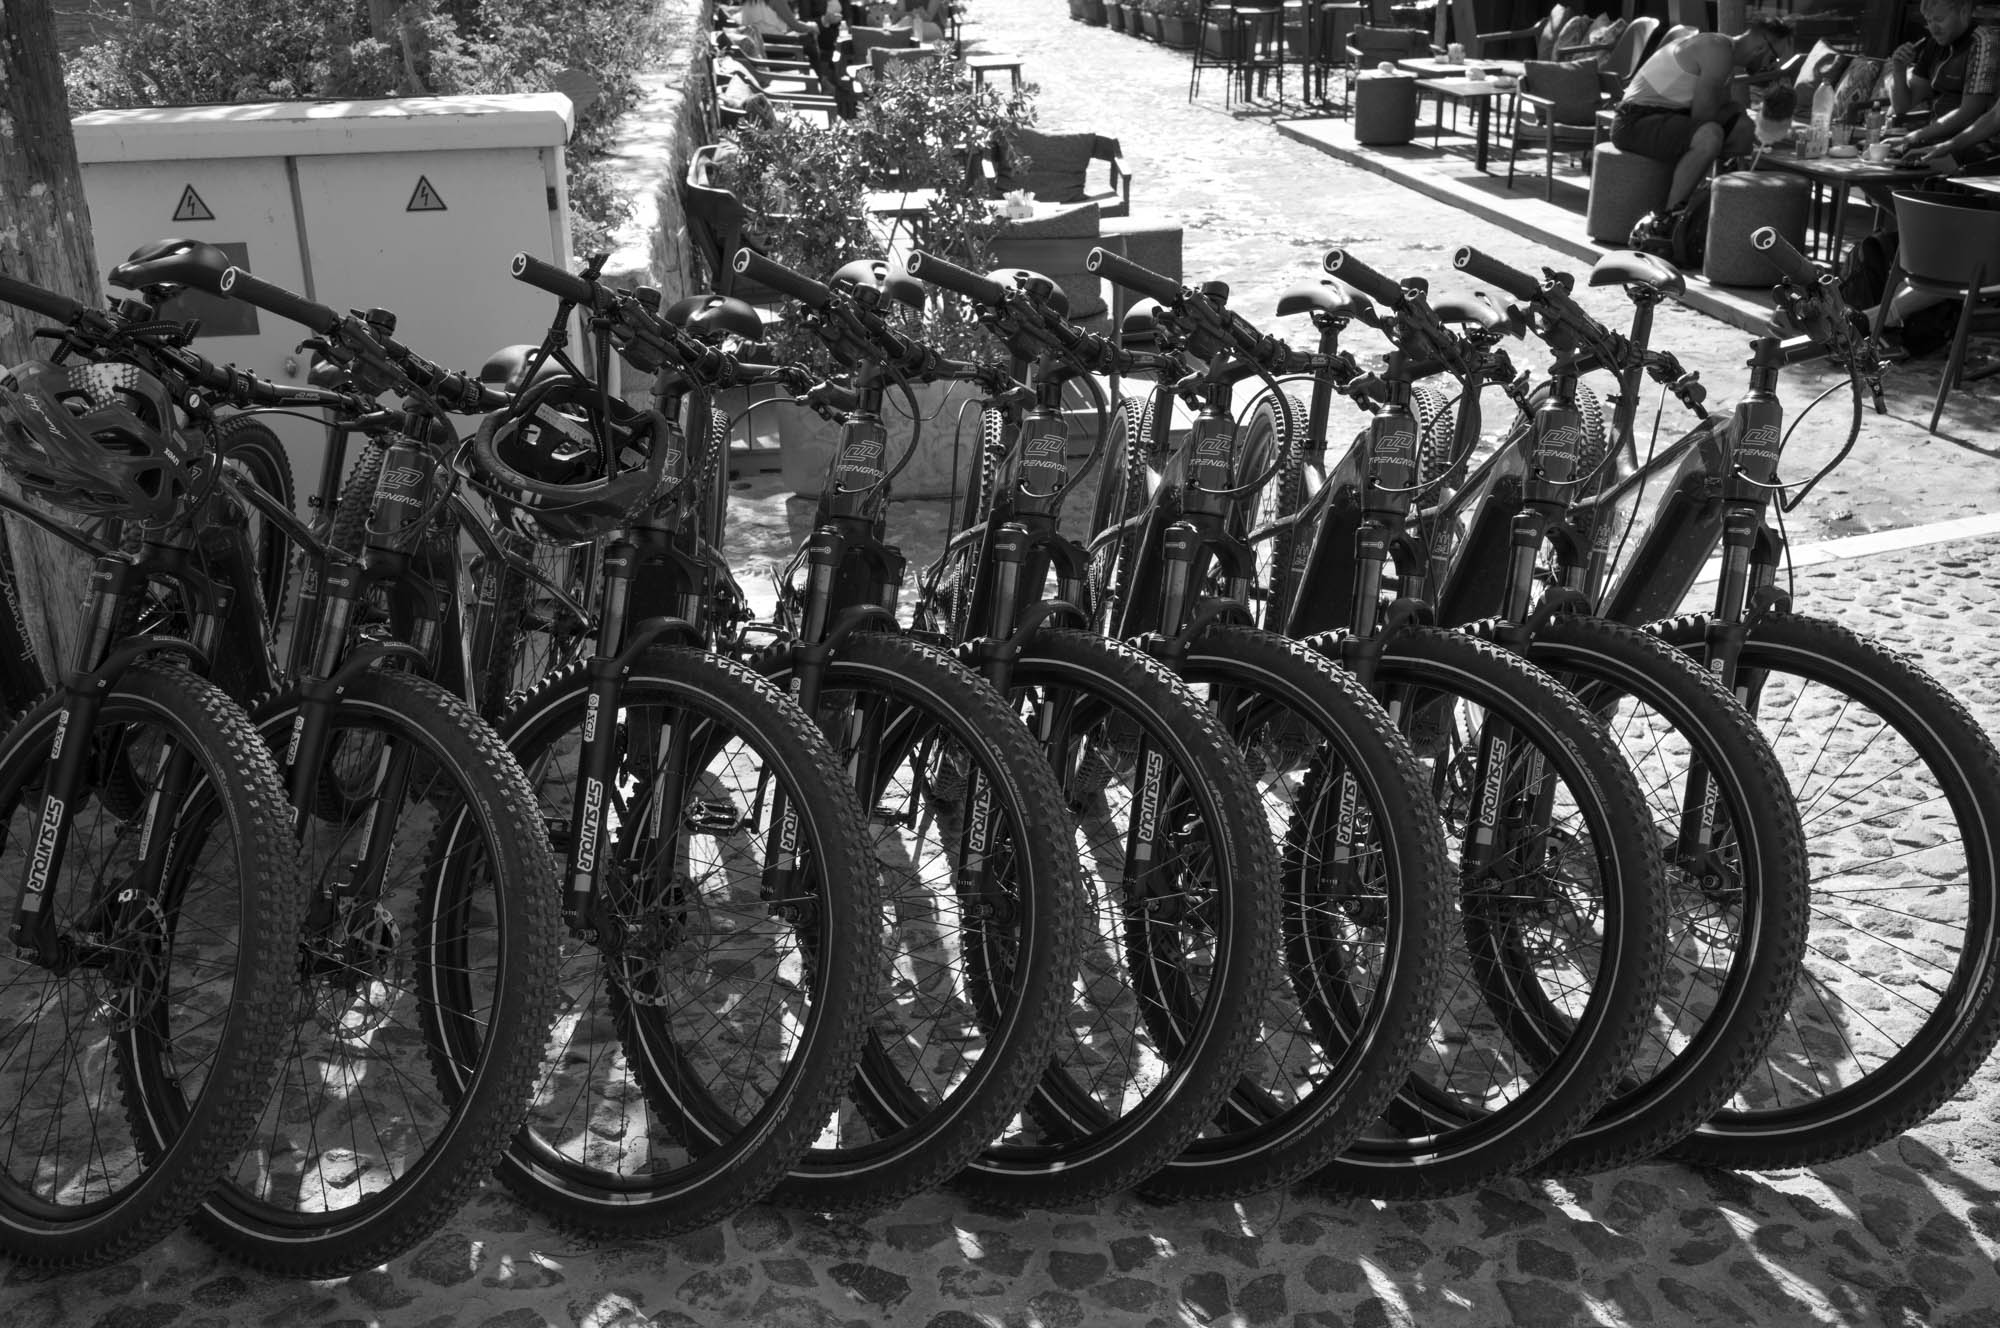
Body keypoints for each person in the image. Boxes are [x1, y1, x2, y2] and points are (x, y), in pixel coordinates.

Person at [1609, 18, 1795, 222]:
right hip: (1635, 120)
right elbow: (1702, 116)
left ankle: (1722, 206)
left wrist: (1756, 126)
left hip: (1667, 116)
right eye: (1774, 58)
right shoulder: (1717, 50)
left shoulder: (1725, 54)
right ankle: (1670, 219)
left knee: (1742, 127)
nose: (1771, 66)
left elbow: (1725, 110)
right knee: (1709, 136)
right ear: (1760, 47)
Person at [1885, 0, 1999, 147]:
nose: (1933, 29)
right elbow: (1902, 107)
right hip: (1934, 140)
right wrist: (1899, 70)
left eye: (1939, 20)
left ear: (1963, 12)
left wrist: (1913, 137)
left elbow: (1969, 113)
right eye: (1928, 21)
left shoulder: (1984, 43)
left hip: (1973, 146)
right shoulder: (1934, 45)